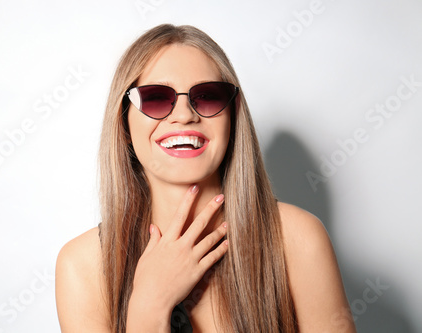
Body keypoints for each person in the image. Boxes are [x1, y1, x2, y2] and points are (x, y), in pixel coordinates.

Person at [55, 24, 356, 332]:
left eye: (208, 97)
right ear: (124, 124)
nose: (184, 115)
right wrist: (149, 305)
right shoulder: (83, 266)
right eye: (156, 98)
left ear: (233, 116)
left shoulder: (297, 238)